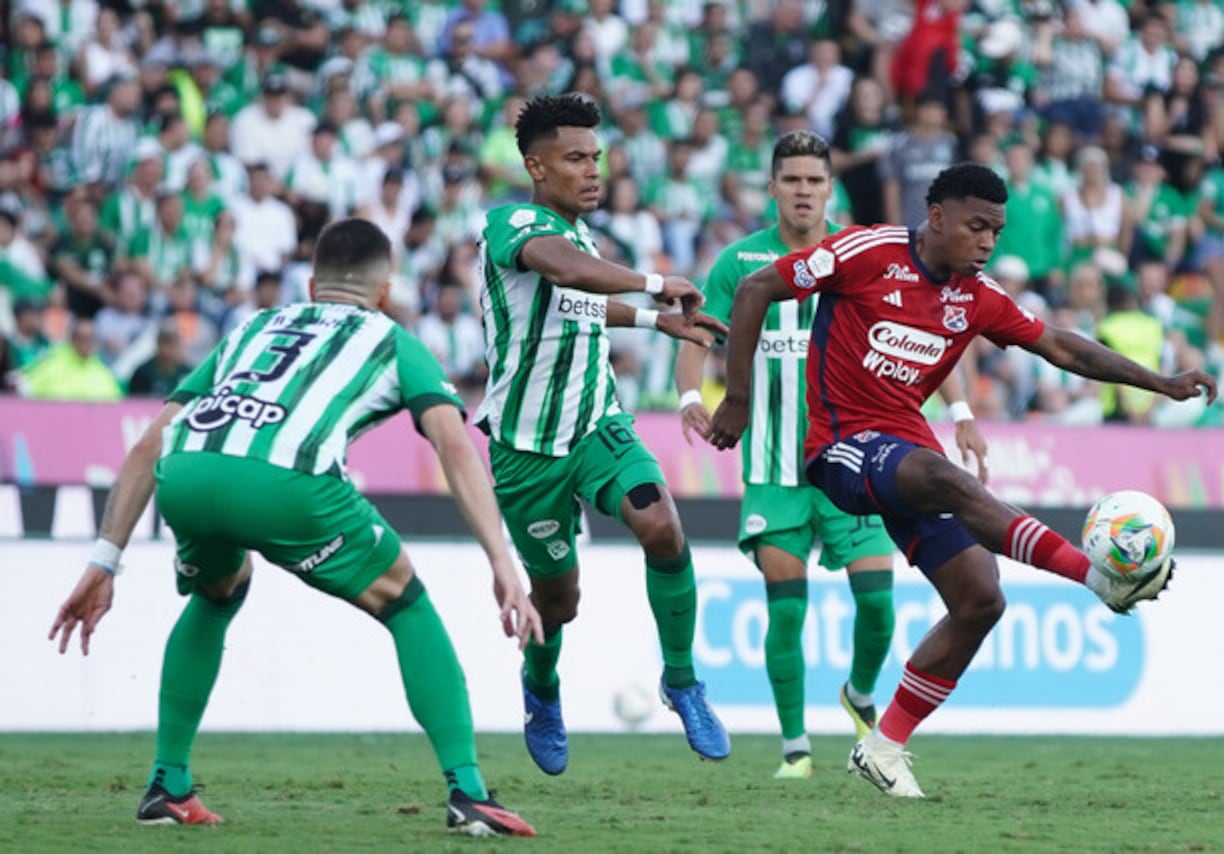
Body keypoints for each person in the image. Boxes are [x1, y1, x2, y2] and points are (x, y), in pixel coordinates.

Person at [706, 163, 1216, 798]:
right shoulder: (866, 252)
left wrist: (1160, 382)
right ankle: (1096, 577)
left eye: (996, 232)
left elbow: (1060, 346)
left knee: (981, 599)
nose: (987, 242)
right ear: (937, 217)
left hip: (906, 457)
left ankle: (884, 746)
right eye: (976, 226)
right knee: (941, 474)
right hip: (837, 448)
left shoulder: (977, 296)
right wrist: (737, 398)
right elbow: (755, 289)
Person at [49, 218, 542, 837]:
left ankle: (167, 785)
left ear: (311, 285)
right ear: (384, 292)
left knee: (219, 589)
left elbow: (153, 440)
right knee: (407, 604)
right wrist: (502, 561)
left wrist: (105, 559)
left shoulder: (253, 327)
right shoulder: (393, 339)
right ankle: (468, 792)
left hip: (189, 472)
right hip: (290, 483)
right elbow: (453, 445)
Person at [675, 130, 989, 780]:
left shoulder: (865, 252)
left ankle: (861, 695)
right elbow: (700, 332)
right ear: (772, 187)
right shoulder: (739, 262)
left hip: (858, 455)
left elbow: (931, 329)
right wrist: (687, 395)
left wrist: (960, 412)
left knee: (878, 603)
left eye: (814, 181)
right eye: (791, 180)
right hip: (773, 464)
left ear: (830, 188)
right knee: (785, 605)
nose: (803, 191)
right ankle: (795, 747)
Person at [475, 93, 731, 776]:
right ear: (535, 164)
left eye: (597, 157)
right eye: (575, 158)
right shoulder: (513, 223)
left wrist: (657, 324)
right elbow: (562, 271)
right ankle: (542, 686)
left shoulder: (580, 239)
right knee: (559, 602)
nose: (593, 171)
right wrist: (656, 285)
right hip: (525, 448)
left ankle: (681, 680)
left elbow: (580, 301)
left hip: (596, 423)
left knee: (663, 527)